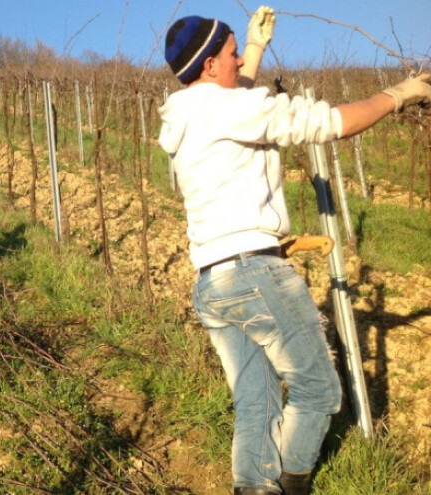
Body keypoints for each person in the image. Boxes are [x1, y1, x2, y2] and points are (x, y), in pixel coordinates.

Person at [158, 6, 431, 495]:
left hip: (212, 283)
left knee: (256, 400)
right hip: (253, 274)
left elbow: (232, 90)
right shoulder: (230, 108)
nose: (239, 57)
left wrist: (256, 47)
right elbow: (328, 124)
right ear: (209, 66)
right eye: (231, 52)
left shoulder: (186, 117)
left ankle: (254, 488)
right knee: (319, 391)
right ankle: (292, 480)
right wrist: (395, 96)